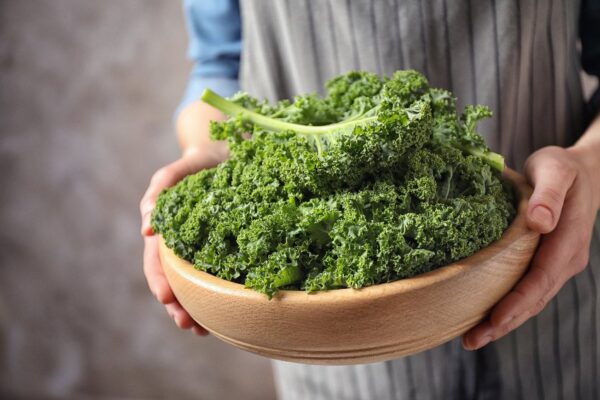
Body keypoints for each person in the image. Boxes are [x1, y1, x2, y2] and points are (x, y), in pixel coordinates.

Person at [140, 0, 600, 398]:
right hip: (330, 335)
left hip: (550, 277)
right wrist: (207, 148)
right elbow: (217, 66)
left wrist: (588, 164)